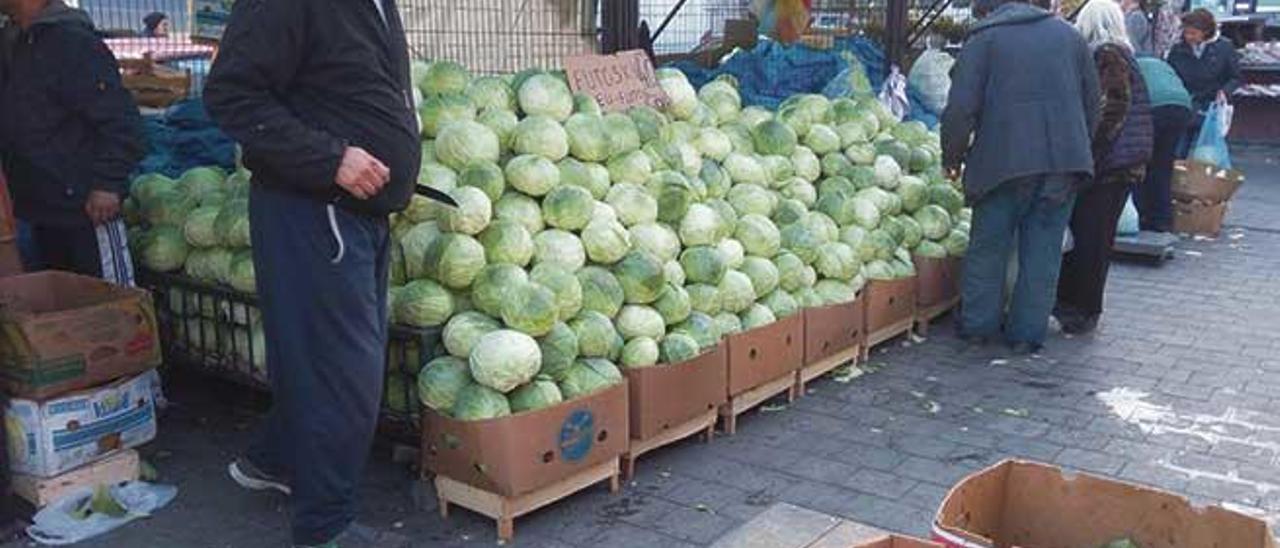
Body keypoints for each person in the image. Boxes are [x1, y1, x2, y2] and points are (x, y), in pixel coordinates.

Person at [203, 0, 446, 545]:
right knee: (343, 373)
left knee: (320, 360)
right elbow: (230, 94)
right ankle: (324, 527)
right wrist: (330, 157)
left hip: (357, 214)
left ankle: (274, 461)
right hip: (316, 210)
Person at [942, 0, 1100, 354]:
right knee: (1043, 251)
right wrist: (1076, 146)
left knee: (989, 246)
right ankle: (1027, 335)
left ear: (988, 9)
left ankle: (977, 327)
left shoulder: (984, 40)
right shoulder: (1070, 36)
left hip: (1001, 161)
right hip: (1063, 162)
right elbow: (1093, 102)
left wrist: (951, 157)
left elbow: (960, 108)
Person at [0, 0, 144, 283]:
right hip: (36, 208)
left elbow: (121, 121)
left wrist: (107, 183)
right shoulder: (12, 43)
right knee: (62, 309)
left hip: (86, 210)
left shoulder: (71, 42)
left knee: (111, 304)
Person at [1056, 0, 1153, 335]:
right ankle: (1075, 304)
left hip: (1109, 166)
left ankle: (1082, 309)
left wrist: (1089, 155)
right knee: (1092, 235)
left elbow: (1112, 111)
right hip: (1120, 163)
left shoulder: (1107, 55)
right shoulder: (1121, 53)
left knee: (1091, 237)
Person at [1167, 8, 1241, 153]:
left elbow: (1235, 76)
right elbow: (1170, 73)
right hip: (1186, 104)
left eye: (1193, 33)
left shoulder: (1225, 47)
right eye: (1186, 32)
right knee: (1177, 151)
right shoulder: (1178, 49)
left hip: (1211, 106)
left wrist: (1225, 92)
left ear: (1206, 32)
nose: (1188, 37)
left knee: (1208, 153)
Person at [1134, 55, 1192, 232]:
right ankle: (1162, 219)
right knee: (1163, 166)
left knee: (1139, 163)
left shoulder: (1128, 64)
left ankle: (1140, 213)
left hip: (1154, 107)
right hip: (1182, 106)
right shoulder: (1158, 63)